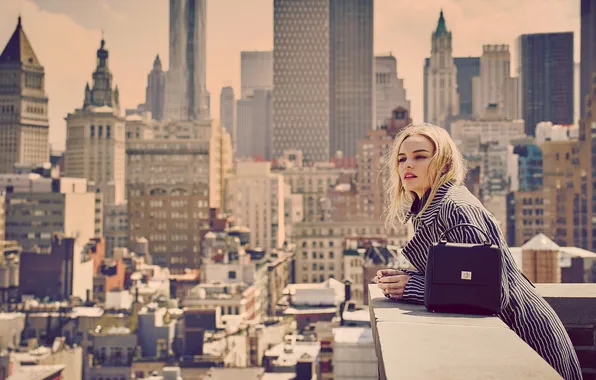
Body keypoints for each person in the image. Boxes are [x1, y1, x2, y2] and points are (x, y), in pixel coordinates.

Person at [375, 123, 582, 380]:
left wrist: (412, 287)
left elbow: (489, 292)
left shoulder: (456, 209)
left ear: (444, 163)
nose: (407, 165)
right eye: (402, 158)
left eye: (420, 156)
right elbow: (458, 274)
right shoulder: (428, 208)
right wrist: (404, 277)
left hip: (527, 335)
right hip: (509, 338)